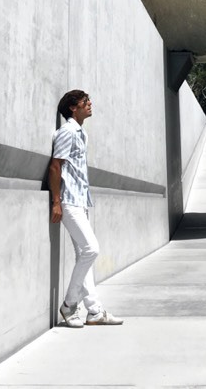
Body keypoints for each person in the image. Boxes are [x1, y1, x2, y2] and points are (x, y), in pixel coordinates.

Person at [49, 89, 123, 328]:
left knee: (84, 254)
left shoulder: (82, 134)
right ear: (73, 107)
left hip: (81, 201)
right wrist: (57, 202)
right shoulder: (67, 132)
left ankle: (94, 311)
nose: (90, 104)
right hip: (69, 202)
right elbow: (55, 166)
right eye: (85, 102)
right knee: (91, 249)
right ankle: (69, 305)